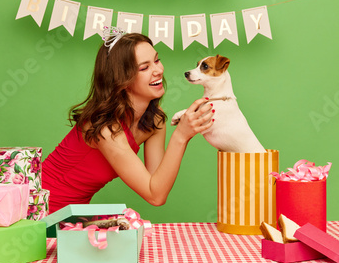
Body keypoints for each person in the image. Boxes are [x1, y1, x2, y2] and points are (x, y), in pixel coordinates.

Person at [42, 30, 214, 213]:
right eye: (144, 68)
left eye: (156, 60)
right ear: (122, 80)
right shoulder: (106, 129)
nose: (158, 70)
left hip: (71, 216)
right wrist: (181, 135)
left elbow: (158, 185)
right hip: (36, 214)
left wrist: (184, 135)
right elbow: (155, 196)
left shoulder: (154, 119)